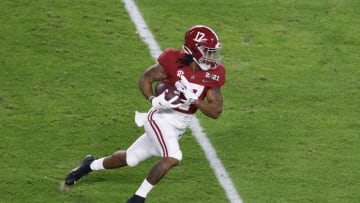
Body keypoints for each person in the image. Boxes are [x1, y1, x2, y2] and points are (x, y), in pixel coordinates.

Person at [63, 25, 226, 203]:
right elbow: (145, 79)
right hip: (160, 118)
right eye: (207, 51)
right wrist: (152, 100)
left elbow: (216, 111)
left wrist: (194, 100)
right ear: (193, 50)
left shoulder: (213, 74)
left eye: (212, 52)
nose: (211, 56)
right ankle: (138, 198)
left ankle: (89, 165)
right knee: (173, 156)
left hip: (178, 126)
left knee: (130, 159)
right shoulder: (174, 62)